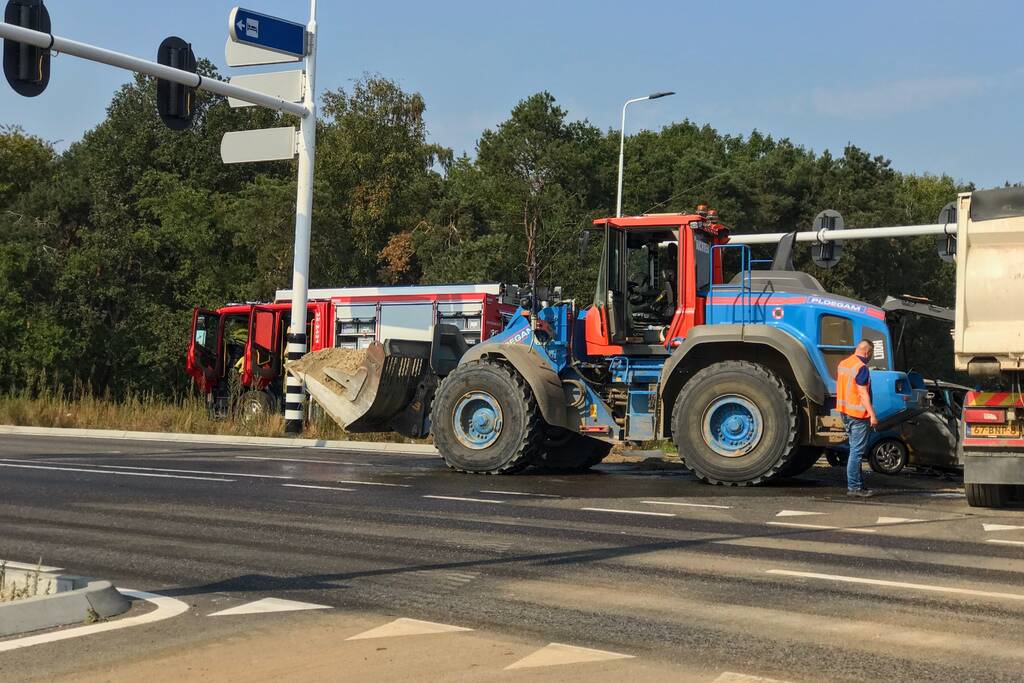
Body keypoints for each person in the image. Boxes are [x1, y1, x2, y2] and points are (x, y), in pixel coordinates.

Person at [836, 340, 879, 497]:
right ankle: (854, 487)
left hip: (845, 412)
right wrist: (872, 414)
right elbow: (862, 393)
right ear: (867, 352)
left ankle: (858, 485)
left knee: (854, 450)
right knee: (856, 452)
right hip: (858, 414)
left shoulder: (844, 364)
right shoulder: (861, 368)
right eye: (871, 354)